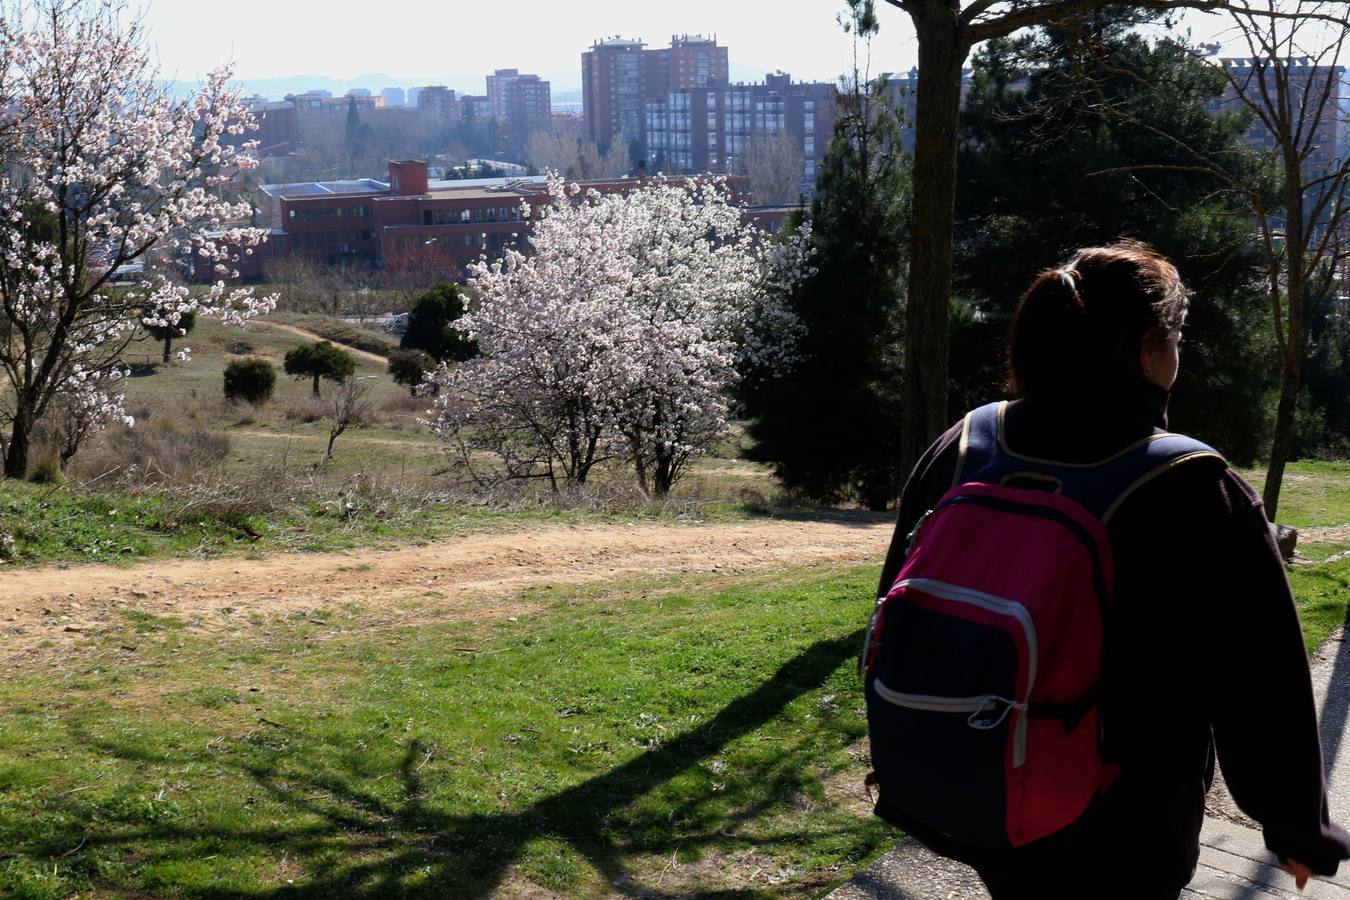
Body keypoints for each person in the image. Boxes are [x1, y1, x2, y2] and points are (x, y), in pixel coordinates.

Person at [873, 242, 1349, 898]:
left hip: (985, 786)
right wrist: (1297, 827)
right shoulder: (1192, 486)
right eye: (1179, 340)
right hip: (1125, 826)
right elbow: (1260, 681)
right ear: (1153, 348)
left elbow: (895, 605)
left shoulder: (966, 445)